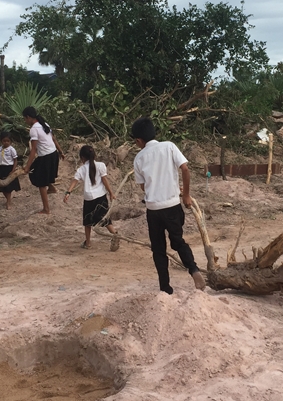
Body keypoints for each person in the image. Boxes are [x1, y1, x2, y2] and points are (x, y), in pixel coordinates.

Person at [131, 117, 206, 294]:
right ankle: (194, 270)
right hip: (172, 206)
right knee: (178, 242)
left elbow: (144, 186)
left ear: (138, 140)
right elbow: (185, 169)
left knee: (158, 250)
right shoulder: (169, 146)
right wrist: (186, 194)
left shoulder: (139, 158)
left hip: (153, 210)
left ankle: (165, 288)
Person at [63, 145, 119, 250]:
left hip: (89, 198)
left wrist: (68, 192)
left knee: (87, 221)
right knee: (104, 219)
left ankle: (88, 243)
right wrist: (111, 193)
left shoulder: (81, 169)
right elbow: (105, 180)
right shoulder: (101, 165)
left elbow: (74, 181)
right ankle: (115, 234)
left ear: (82, 158)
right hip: (101, 196)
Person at [21, 106, 62, 214]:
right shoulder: (44, 124)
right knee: (40, 172)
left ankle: (46, 209)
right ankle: (51, 187)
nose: (25, 121)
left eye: (25, 119)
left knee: (40, 181)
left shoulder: (34, 129)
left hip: (46, 157)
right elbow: (53, 139)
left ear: (28, 117)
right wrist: (60, 151)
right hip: (53, 154)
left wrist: (27, 167)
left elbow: (33, 149)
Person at [0, 131, 21, 210]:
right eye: (4, 141)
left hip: (9, 168)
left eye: (8, 141)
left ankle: (9, 202)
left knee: (9, 187)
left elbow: (15, 160)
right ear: (1, 141)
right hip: (2, 168)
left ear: (10, 141)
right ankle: (7, 199)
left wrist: (13, 170)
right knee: (1, 185)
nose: (6, 142)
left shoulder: (11, 150)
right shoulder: (0, 149)